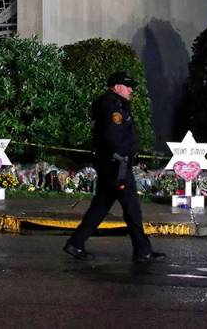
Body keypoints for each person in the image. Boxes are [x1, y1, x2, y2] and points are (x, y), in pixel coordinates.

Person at [63, 72, 165, 263]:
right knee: (132, 208)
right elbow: (113, 137)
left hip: (112, 165)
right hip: (117, 166)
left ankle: (76, 243)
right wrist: (125, 154)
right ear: (117, 87)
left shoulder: (113, 104)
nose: (131, 89)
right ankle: (143, 251)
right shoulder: (112, 106)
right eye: (128, 86)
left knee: (101, 206)